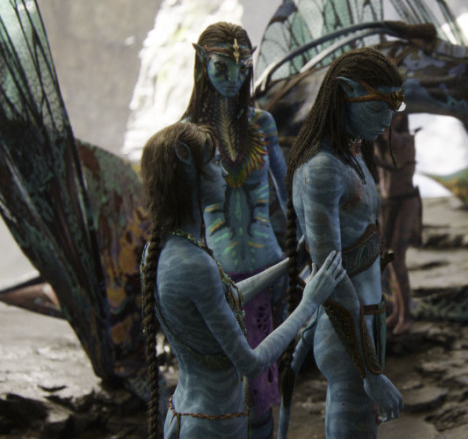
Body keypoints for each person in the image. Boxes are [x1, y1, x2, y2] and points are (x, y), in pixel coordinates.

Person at [140, 122, 343, 438]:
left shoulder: (163, 250)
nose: (224, 173)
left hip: (185, 415)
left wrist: (290, 265)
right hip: (213, 425)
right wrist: (309, 302)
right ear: (189, 172)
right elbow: (251, 363)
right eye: (214, 163)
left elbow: (225, 297)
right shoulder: (195, 263)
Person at [283, 47, 405, 436]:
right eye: (377, 108)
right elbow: (331, 278)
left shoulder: (351, 155)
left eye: (392, 109)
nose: (386, 121)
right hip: (345, 330)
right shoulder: (322, 169)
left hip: (367, 318)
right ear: (346, 92)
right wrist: (371, 372)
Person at [181, 22, 289, 438]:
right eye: (222, 67)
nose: (234, 78)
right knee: (222, 389)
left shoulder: (263, 123)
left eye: (242, 68)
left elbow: (289, 194)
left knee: (261, 390)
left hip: (269, 267)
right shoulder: (186, 134)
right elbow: (178, 216)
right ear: (202, 63)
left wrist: (303, 248)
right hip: (216, 277)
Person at [374, 113, 421, 335]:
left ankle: (406, 316)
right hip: (387, 204)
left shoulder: (405, 140)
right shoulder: (381, 140)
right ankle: (399, 311)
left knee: (398, 259)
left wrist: (384, 126)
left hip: (404, 203)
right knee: (391, 260)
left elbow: (392, 140)